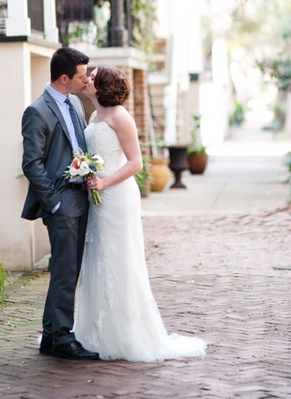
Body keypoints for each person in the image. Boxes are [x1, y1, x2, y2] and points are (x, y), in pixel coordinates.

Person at [74, 65, 207, 362]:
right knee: (97, 258)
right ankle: (94, 331)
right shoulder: (94, 115)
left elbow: (136, 163)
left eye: (93, 77)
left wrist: (105, 182)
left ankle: (126, 333)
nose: (87, 79)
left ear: (103, 85)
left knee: (119, 259)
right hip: (98, 198)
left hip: (118, 197)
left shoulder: (121, 116)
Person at [20, 47, 99, 361]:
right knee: (66, 272)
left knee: (68, 270)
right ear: (64, 77)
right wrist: (53, 203)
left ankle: (51, 337)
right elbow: (32, 163)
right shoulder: (37, 111)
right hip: (61, 204)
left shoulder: (77, 104)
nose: (85, 81)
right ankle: (64, 340)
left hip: (81, 199)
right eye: (81, 76)